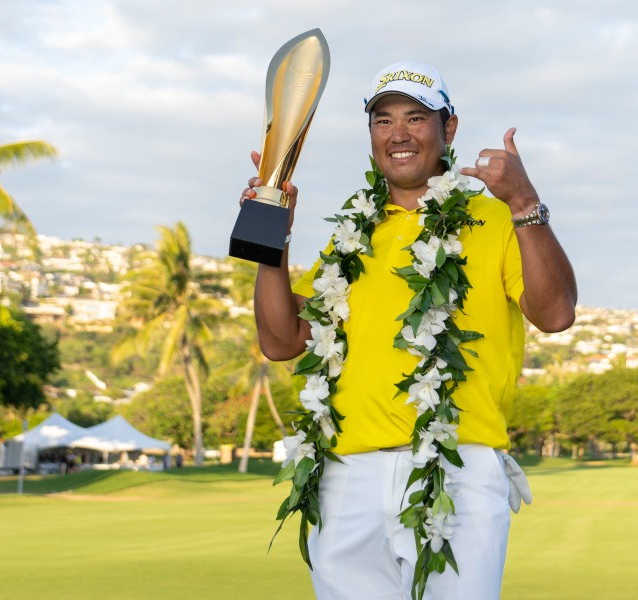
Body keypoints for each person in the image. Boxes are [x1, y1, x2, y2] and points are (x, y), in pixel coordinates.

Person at [242, 61, 577, 599]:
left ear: (449, 130)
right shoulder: (352, 237)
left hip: (457, 471)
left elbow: (555, 313)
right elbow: (281, 342)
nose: (398, 133)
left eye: (416, 117)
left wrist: (523, 204)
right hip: (345, 476)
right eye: (383, 120)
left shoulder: (495, 221)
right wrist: (270, 234)